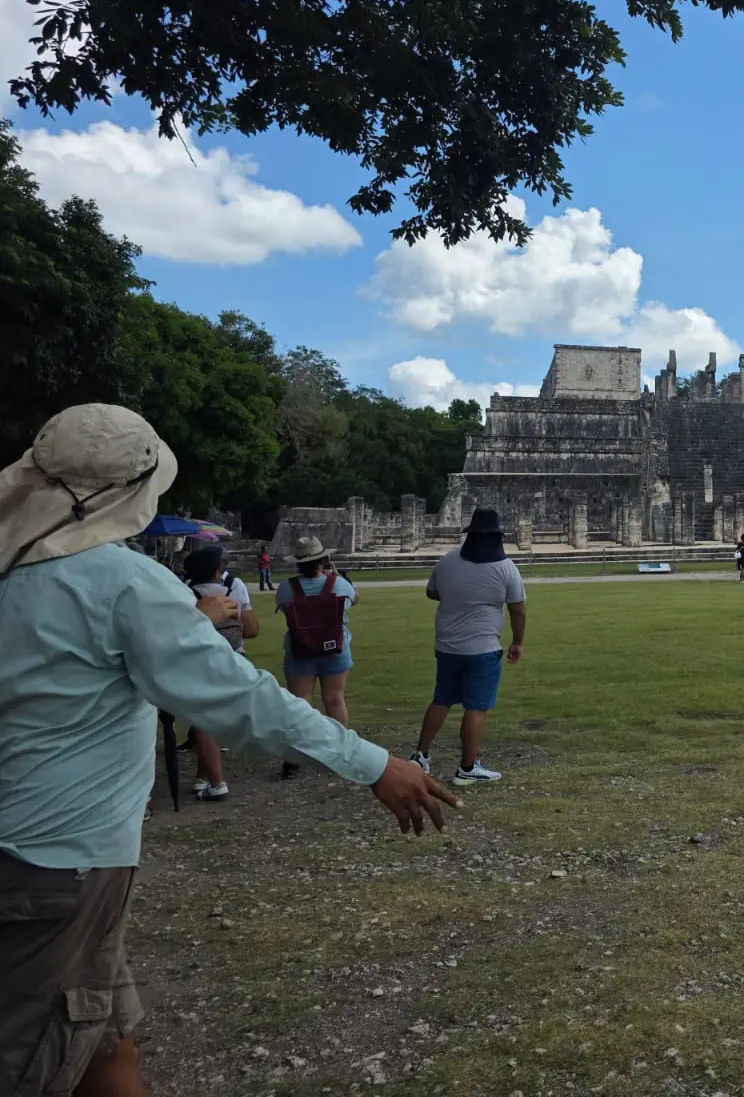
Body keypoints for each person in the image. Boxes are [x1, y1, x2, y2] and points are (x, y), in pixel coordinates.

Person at [0, 405, 455, 1097]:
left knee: (105, 1048)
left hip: (52, 858)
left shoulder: (16, 569)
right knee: (30, 1063)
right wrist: (373, 765)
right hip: (57, 865)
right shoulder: (117, 581)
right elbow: (240, 700)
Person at [409, 509, 525, 788]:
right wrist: (518, 641)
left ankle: (420, 755)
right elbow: (518, 609)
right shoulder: (506, 568)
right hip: (482, 647)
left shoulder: (449, 561)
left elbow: (432, 591)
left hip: (447, 644)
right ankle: (468, 767)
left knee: (442, 699)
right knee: (476, 707)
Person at [275, 535, 360, 777]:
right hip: (335, 648)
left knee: (299, 703)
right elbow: (354, 599)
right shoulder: (340, 585)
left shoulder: (286, 588)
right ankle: (340, 751)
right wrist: (335, 575)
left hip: (301, 649)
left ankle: (294, 758)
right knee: (335, 699)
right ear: (324, 560)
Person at [182, 545, 260, 801]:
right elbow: (251, 630)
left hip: (198, 662)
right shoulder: (232, 590)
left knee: (204, 722)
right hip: (231, 660)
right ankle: (212, 780)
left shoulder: (184, 593)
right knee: (209, 724)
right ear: (217, 571)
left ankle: (210, 779)